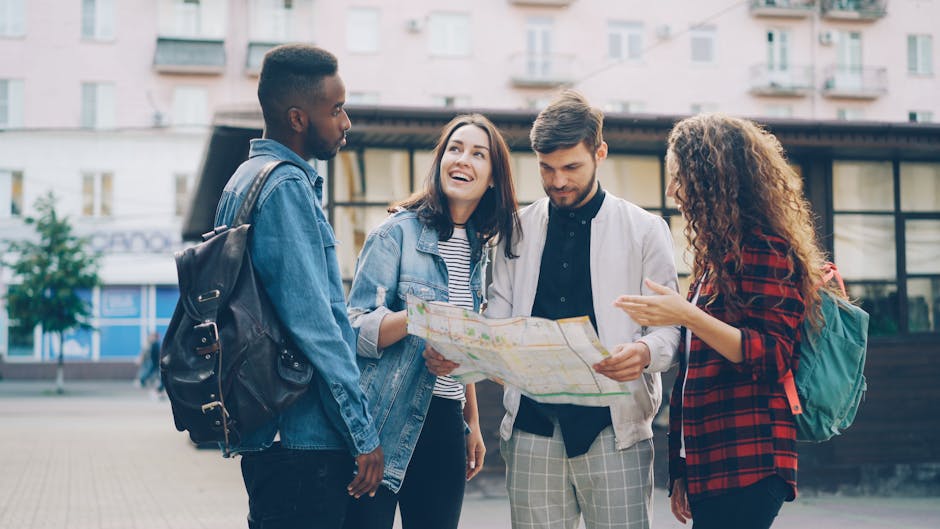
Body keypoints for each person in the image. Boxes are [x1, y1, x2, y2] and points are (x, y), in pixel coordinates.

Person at [428, 90, 681, 529]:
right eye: (546, 168)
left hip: (614, 430)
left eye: (571, 168)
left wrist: (643, 354)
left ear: (599, 153)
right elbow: (496, 322)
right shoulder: (517, 228)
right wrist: (465, 351)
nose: (558, 181)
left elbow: (670, 330)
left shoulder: (645, 230)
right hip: (530, 430)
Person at [614, 113, 828, 529]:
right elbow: (694, 376)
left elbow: (773, 357)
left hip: (750, 460)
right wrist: (682, 469)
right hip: (711, 462)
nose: (670, 189)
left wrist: (685, 314)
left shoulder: (766, 247)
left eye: (679, 176)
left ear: (714, 177)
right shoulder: (717, 258)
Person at [213, 44, 383, 529]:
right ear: (297, 118)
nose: (346, 121)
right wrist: (362, 433)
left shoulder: (244, 181)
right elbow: (318, 328)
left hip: (271, 437)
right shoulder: (285, 189)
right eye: (336, 109)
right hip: (302, 441)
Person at [342, 114, 521, 529]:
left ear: (492, 177)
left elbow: (462, 346)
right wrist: (420, 317)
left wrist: (471, 422)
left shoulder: (480, 249)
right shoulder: (394, 234)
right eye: (455, 149)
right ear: (440, 161)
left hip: (444, 421)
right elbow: (354, 328)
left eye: (478, 154)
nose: (463, 160)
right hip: (383, 418)